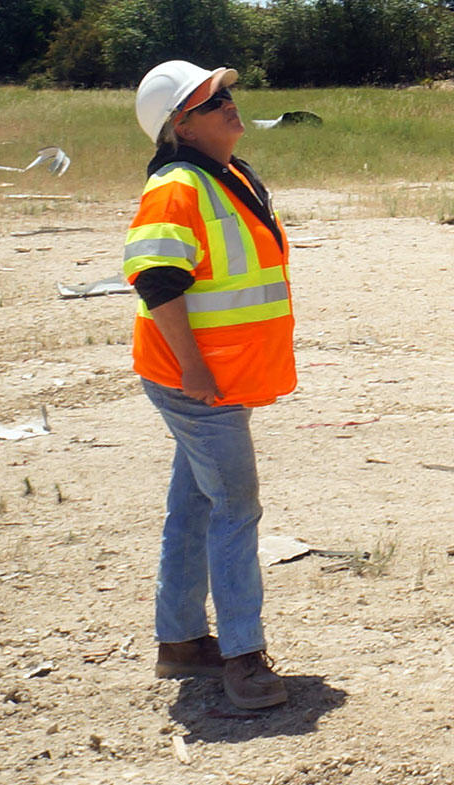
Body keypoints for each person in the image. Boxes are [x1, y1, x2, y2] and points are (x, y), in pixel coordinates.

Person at [124, 59, 295, 714]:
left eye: (224, 93)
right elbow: (155, 278)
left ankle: (182, 641)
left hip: (218, 373)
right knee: (234, 505)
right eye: (208, 99)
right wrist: (195, 368)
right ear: (179, 125)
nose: (227, 103)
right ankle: (242, 656)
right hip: (198, 379)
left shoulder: (228, 174)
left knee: (198, 503)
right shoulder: (175, 185)